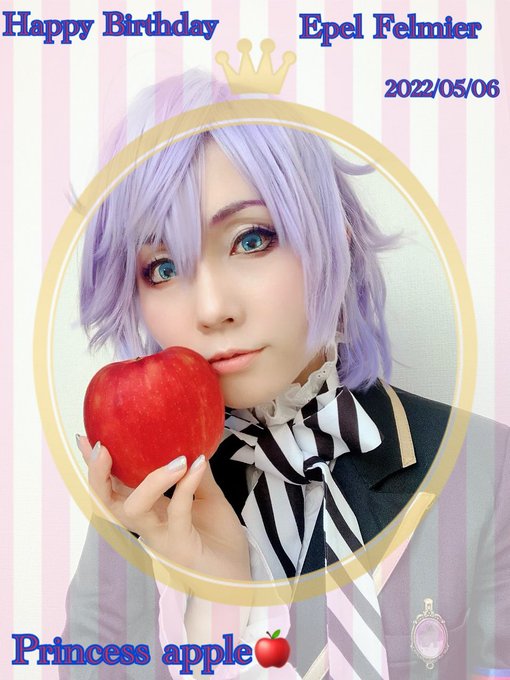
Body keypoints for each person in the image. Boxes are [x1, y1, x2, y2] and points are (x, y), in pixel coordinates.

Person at [64, 71, 509, 680]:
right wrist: (221, 604)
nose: (211, 308)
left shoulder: (485, 471)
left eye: (252, 239)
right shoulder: (143, 502)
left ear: (336, 239)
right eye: (162, 267)